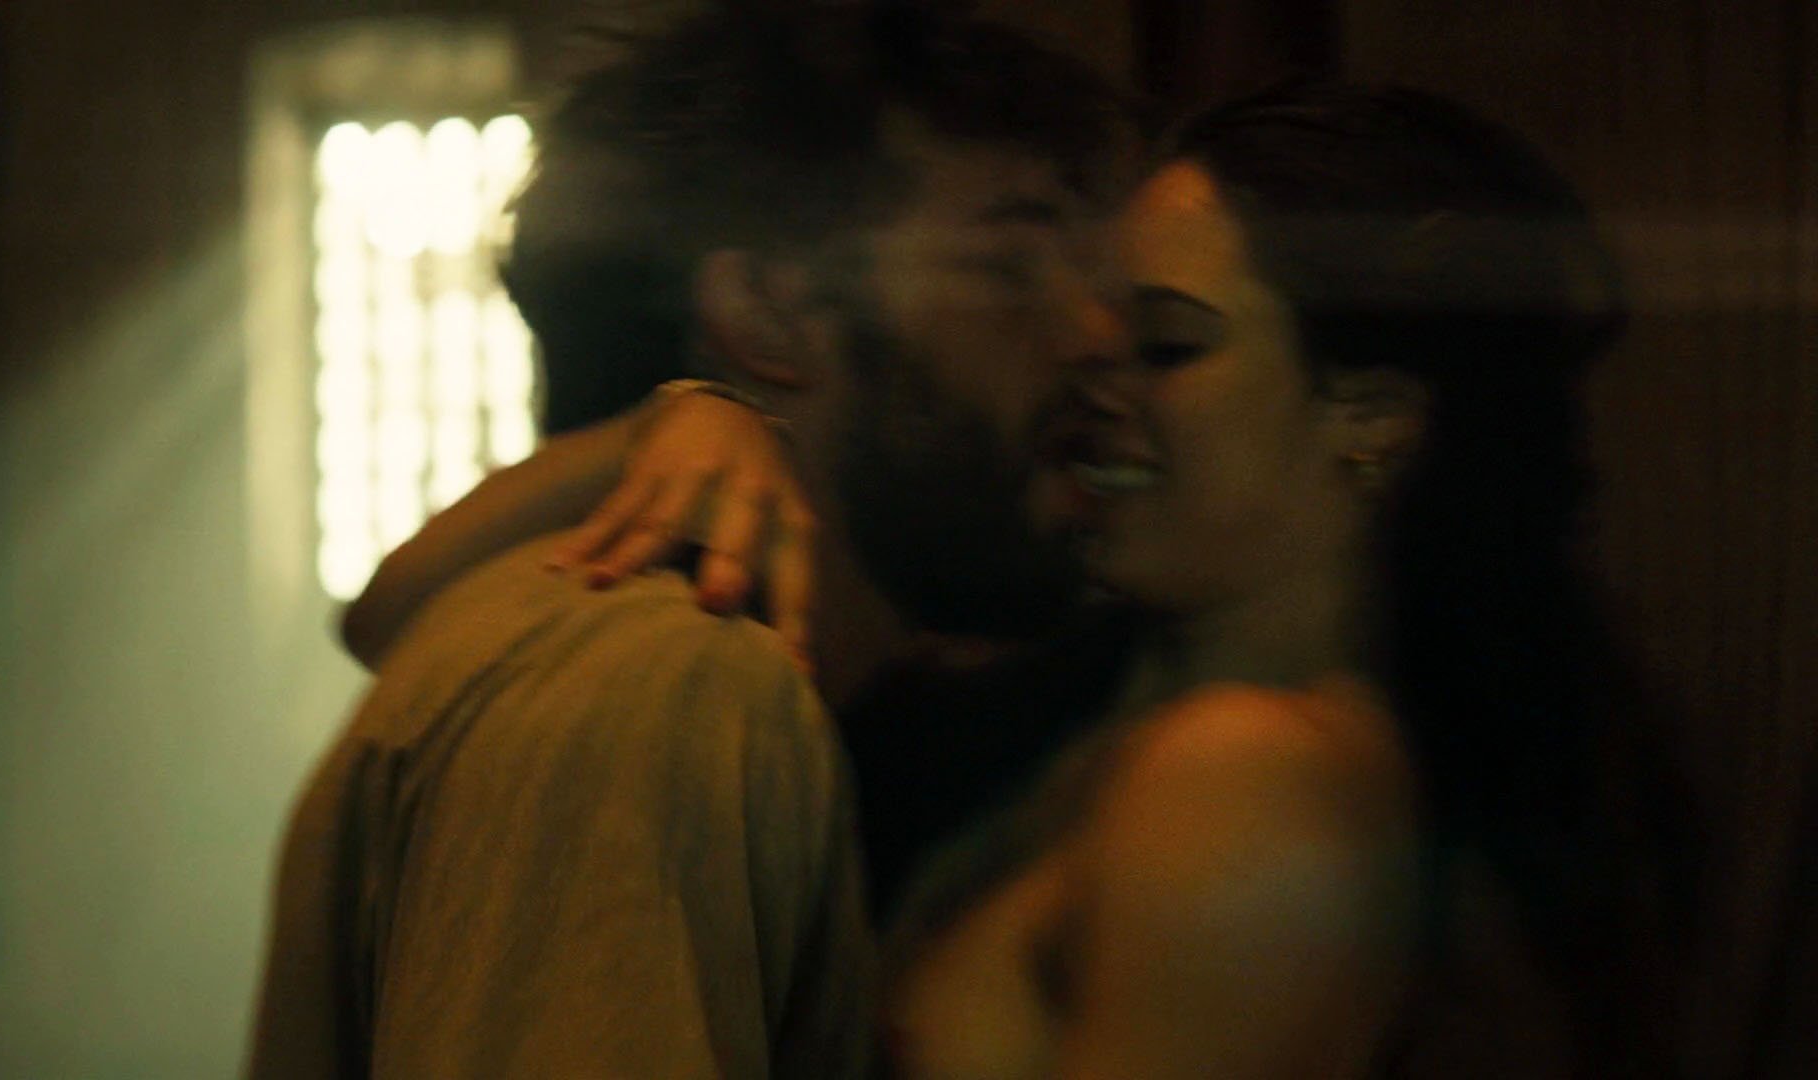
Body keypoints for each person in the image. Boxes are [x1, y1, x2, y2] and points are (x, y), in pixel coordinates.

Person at [357, 82, 1701, 1076]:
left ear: (1370, 423)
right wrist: (685, 421)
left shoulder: (1253, 774)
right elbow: (389, 614)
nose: (1090, 375)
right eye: (1091, 328)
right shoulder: (1087, 705)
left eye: (1165, 346)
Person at [247, 4, 1131, 1077]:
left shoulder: (694, 667)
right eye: (1011, 262)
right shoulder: (663, 676)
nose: (1100, 335)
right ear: (765, 313)